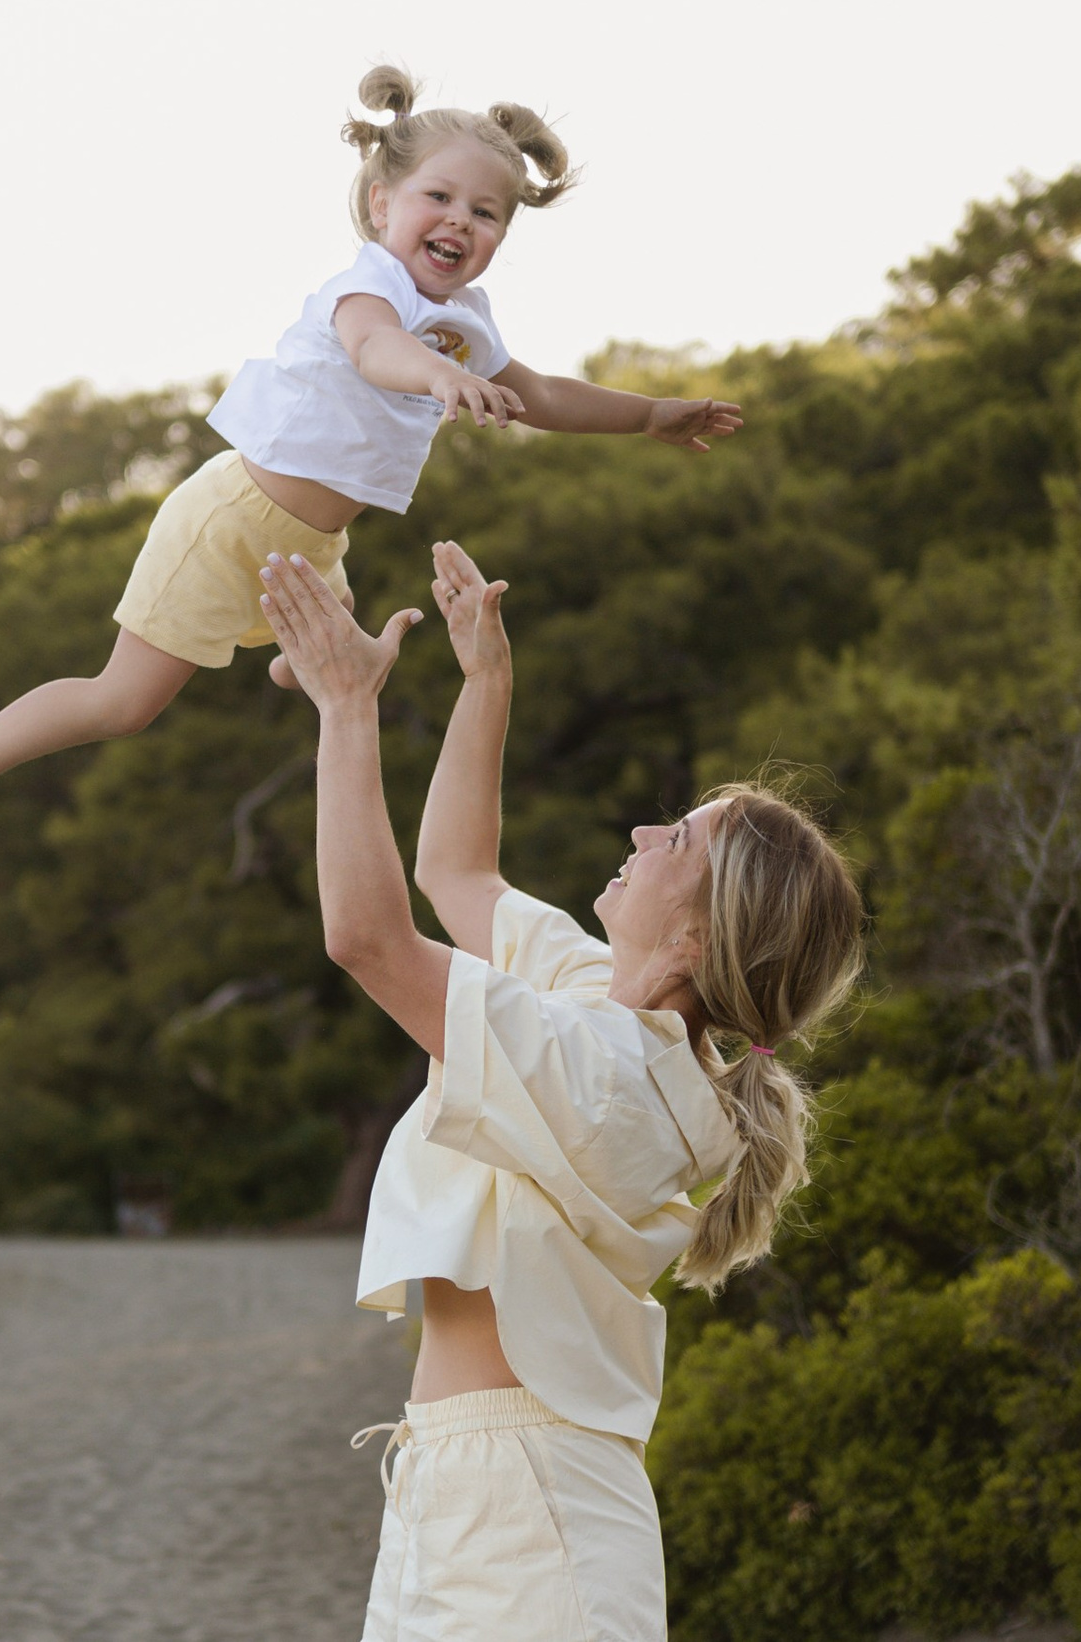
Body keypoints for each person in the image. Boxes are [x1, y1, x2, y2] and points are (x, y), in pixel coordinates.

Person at [0, 65, 743, 870]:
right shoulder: (364, 289)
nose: (459, 222)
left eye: (486, 214)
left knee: (339, 638)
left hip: (311, 544)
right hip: (228, 522)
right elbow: (375, 352)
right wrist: (440, 375)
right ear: (380, 204)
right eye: (437, 197)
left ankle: (293, 656)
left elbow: (545, 395)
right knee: (123, 703)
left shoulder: (468, 321)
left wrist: (650, 415)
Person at [258, 540, 867, 1640]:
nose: (640, 834)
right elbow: (459, 874)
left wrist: (348, 713)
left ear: (695, 932)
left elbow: (368, 940)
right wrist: (485, 679)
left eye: (674, 837)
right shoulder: (602, 1008)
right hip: (469, 1488)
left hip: (529, 1516)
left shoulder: (615, 1082)